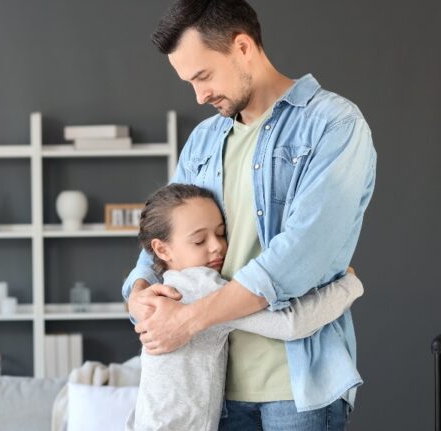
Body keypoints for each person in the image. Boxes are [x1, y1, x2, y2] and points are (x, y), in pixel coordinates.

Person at [122, 0, 376, 429]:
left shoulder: (334, 125)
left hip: (295, 388)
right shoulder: (202, 141)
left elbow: (298, 258)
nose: (199, 95)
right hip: (212, 391)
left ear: (243, 46)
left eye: (203, 76)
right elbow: (165, 231)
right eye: (189, 83)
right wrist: (139, 290)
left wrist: (187, 321)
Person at [126, 183, 363, 431]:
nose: (217, 246)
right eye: (199, 241)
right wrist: (348, 286)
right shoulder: (199, 286)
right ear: (162, 249)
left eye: (221, 233)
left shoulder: (160, 290)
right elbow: (291, 324)